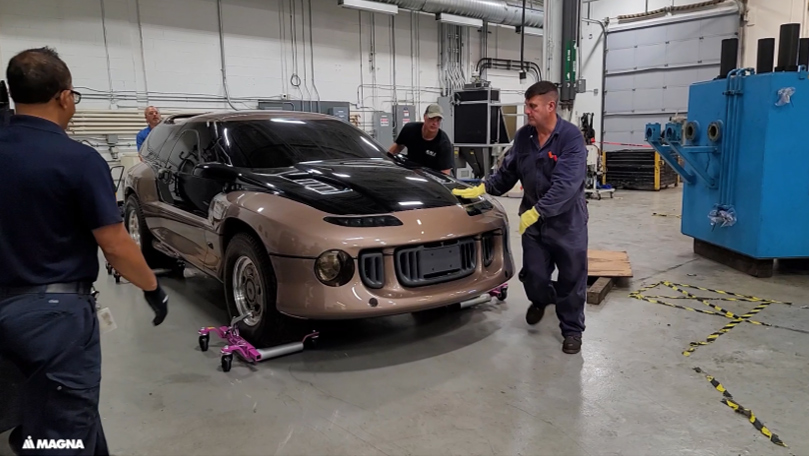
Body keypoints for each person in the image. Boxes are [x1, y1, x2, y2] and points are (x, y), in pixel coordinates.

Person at [0, 47, 169, 455]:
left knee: (56, 415)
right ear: (64, 96)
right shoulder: (77, 159)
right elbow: (115, 244)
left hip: (6, 310)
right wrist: (151, 288)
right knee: (61, 434)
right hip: (53, 317)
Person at [452, 81, 588, 354]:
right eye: (527, 105)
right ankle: (542, 299)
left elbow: (567, 185)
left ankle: (572, 330)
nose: (527, 111)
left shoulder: (570, 138)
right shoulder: (525, 136)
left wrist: (538, 211)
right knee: (534, 277)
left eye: (532, 106)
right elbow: (508, 172)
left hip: (567, 224)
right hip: (534, 225)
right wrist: (483, 187)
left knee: (572, 279)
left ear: (550, 106)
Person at [388, 103, 454, 175]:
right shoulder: (410, 129)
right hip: (411, 172)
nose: (435, 123)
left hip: (432, 178)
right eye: (432, 119)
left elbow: (445, 173)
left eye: (438, 120)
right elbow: (395, 149)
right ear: (425, 117)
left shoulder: (444, 144)